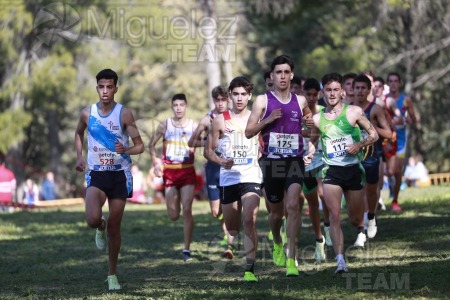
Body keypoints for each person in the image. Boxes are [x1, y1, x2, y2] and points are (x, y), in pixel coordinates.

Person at [74, 68, 144, 291]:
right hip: (96, 173)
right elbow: (78, 133)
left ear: (115, 88)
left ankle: (112, 274)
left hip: (119, 175)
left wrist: (127, 149)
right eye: (101, 87)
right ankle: (99, 226)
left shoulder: (124, 114)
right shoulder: (87, 113)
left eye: (109, 87)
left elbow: (140, 145)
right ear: (97, 88)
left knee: (115, 227)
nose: (105, 91)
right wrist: (79, 156)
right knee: (93, 219)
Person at [245, 55, 313, 277]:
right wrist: (268, 120)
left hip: (294, 160)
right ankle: (276, 241)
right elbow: (248, 131)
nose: (282, 76)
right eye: (278, 72)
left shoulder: (300, 101)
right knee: (276, 214)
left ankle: (292, 260)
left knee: (293, 205)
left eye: (286, 72)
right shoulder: (262, 101)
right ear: (272, 76)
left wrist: (309, 135)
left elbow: (310, 124)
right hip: (271, 162)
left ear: (291, 75)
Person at [309, 72, 378, 273]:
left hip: (354, 171)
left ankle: (361, 225)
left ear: (342, 92)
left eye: (335, 90)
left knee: (355, 219)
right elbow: (313, 141)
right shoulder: (317, 119)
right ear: (324, 92)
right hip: (332, 171)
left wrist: (359, 144)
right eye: (328, 90)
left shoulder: (354, 112)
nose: (331, 94)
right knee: (334, 216)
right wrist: (309, 153)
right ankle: (340, 261)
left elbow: (373, 134)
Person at [204, 76, 262, 282]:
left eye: (243, 94)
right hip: (228, 178)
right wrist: (220, 161)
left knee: (249, 220)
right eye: (235, 94)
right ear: (230, 95)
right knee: (233, 228)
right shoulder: (220, 120)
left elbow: (266, 141)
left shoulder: (257, 118)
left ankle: (249, 269)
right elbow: (208, 151)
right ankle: (233, 236)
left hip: (251, 175)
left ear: (249, 96)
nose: (239, 98)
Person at [149, 93, 198, 262]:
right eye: (175, 105)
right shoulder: (165, 125)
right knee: (173, 215)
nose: (178, 108)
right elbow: (151, 145)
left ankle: (186, 249)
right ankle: (185, 218)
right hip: (169, 172)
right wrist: (156, 163)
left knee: (187, 210)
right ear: (172, 107)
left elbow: (206, 141)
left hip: (187, 171)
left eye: (181, 105)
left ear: (186, 107)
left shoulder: (194, 126)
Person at [188, 85, 230, 247]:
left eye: (223, 100)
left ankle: (229, 235)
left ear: (228, 100)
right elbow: (191, 141)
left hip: (230, 165)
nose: (220, 103)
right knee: (215, 211)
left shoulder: (233, 117)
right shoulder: (207, 119)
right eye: (217, 100)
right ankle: (226, 225)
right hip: (213, 166)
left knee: (230, 202)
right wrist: (208, 141)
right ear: (213, 100)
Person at [352, 74, 392, 239]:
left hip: (371, 156)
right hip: (353, 157)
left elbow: (388, 133)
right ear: (353, 90)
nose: (360, 91)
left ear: (369, 90)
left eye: (363, 88)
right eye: (357, 88)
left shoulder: (375, 109)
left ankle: (372, 217)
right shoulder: (349, 109)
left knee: (371, 191)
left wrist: (372, 127)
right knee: (358, 193)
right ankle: (361, 229)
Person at [301, 78, 331, 256]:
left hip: (324, 159)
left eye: (315, 94)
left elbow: (324, 131)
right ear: (303, 94)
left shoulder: (323, 112)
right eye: (308, 94)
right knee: (312, 203)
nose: (312, 98)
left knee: (323, 193)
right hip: (305, 163)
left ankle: (328, 225)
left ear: (319, 94)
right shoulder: (298, 114)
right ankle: (319, 239)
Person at [385, 72, 418, 212]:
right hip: (386, 139)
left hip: (401, 140)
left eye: (395, 81)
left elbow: (414, 119)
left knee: (395, 171)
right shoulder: (383, 99)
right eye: (390, 81)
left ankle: (395, 200)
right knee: (389, 171)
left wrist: (409, 120)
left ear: (399, 83)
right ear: (388, 83)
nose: (393, 83)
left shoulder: (406, 100)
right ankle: (389, 192)